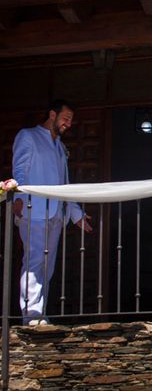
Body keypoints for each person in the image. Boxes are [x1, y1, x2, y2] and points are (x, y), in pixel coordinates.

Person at [12, 99, 92, 325]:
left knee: (47, 266)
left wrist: (75, 213)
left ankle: (39, 312)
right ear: (52, 115)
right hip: (33, 208)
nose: (69, 124)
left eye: (71, 120)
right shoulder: (28, 136)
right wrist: (18, 197)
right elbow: (20, 168)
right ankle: (31, 315)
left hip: (56, 213)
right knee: (35, 262)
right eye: (66, 118)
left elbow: (63, 183)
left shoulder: (60, 146)